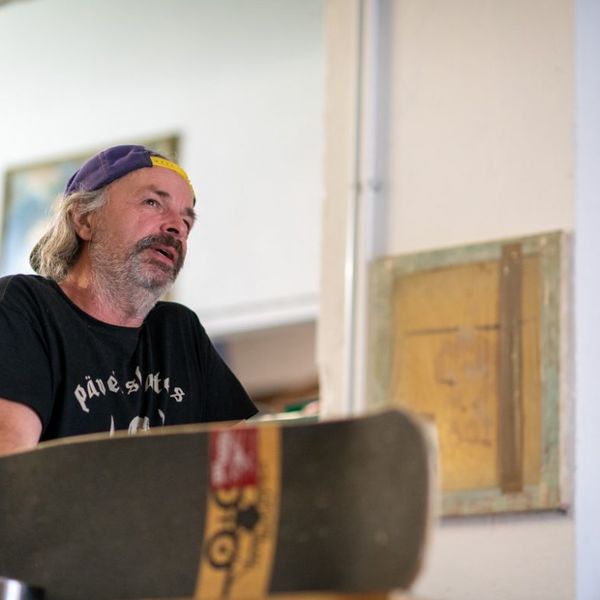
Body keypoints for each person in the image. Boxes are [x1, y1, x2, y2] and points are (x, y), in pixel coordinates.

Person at [0, 145, 257, 455]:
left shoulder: (178, 331)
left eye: (187, 222)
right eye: (152, 202)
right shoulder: (24, 306)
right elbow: (12, 468)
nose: (177, 227)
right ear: (84, 219)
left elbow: (245, 465)